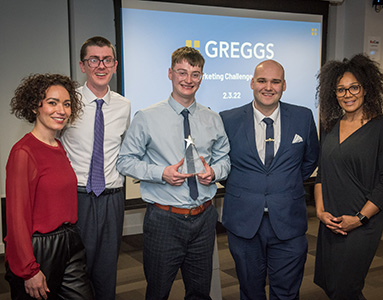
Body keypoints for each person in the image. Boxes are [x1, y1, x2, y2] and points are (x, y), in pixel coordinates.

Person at [116, 46, 230, 300]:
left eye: (195, 74)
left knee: (200, 292)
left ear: (202, 77)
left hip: (204, 217)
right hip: (164, 220)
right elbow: (124, 161)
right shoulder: (146, 117)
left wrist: (215, 172)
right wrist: (160, 173)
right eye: (182, 72)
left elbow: (225, 159)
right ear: (170, 73)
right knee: (158, 291)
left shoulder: (212, 118)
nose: (188, 80)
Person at [220, 60, 319, 300]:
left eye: (275, 81)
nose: (268, 87)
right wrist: (248, 186)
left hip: (289, 220)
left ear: (284, 85)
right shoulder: (227, 119)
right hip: (244, 222)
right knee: (250, 291)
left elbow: (310, 160)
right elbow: (222, 165)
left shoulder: (303, 117)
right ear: (252, 83)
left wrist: (283, 184)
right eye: (262, 81)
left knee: (286, 292)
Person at [313, 54, 383, 299]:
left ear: (366, 89)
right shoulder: (331, 126)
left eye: (354, 87)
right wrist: (320, 212)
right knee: (331, 285)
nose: (347, 94)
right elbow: (322, 174)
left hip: (362, 224)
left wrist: (359, 218)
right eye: (341, 89)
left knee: (346, 288)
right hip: (330, 221)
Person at [5, 74, 94, 300]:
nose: (61, 110)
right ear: (35, 106)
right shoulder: (23, 152)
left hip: (70, 241)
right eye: (52, 103)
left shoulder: (58, 146)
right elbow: (17, 219)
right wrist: (29, 269)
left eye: (66, 104)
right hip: (39, 249)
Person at [60, 36, 131, 299]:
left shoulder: (124, 105)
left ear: (115, 65)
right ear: (82, 65)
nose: (101, 66)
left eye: (107, 60)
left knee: (107, 271)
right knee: (76, 271)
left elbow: (125, 149)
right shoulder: (69, 103)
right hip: (77, 198)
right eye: (94, 60)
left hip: (112, 199)